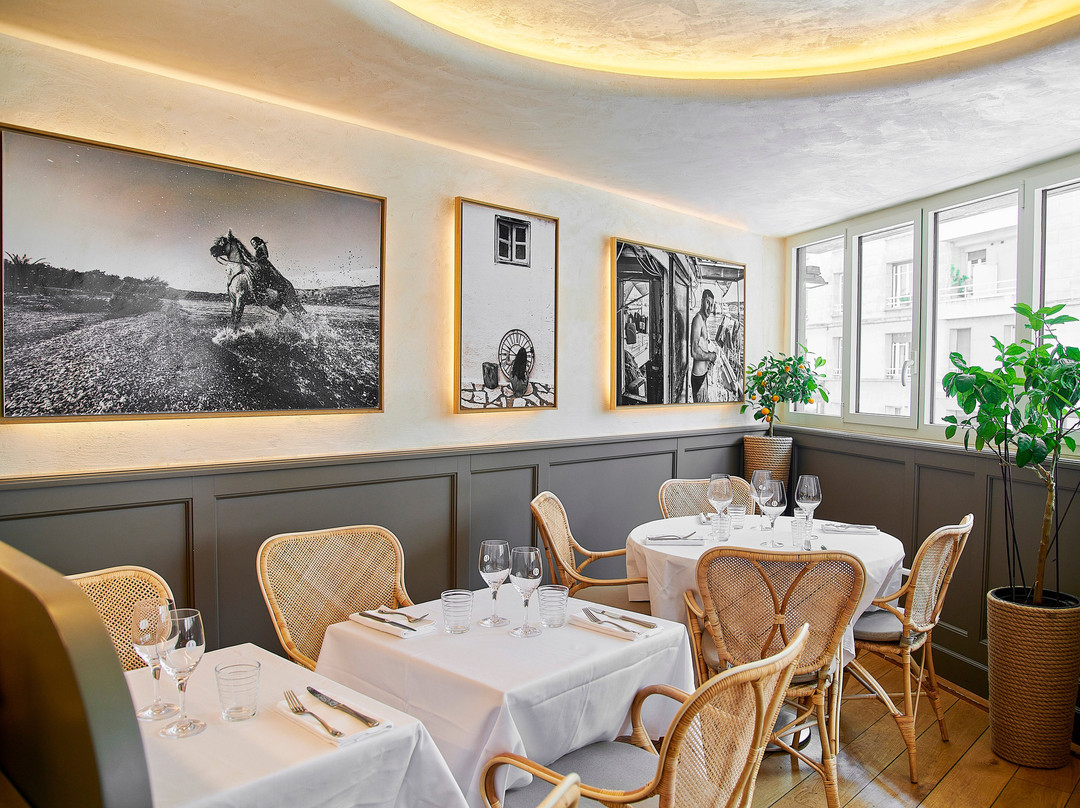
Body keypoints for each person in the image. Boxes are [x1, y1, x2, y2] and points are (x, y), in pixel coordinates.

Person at [690, 289, 718, 402]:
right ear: (702, 301)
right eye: (707, 303)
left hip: (703, 375)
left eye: (712, 305)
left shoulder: (703, 320)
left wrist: (709, 358)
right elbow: (694, 351)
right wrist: (711, 356)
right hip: (698, 377)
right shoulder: (697, 320)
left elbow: (702, 346)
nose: (710, 308)